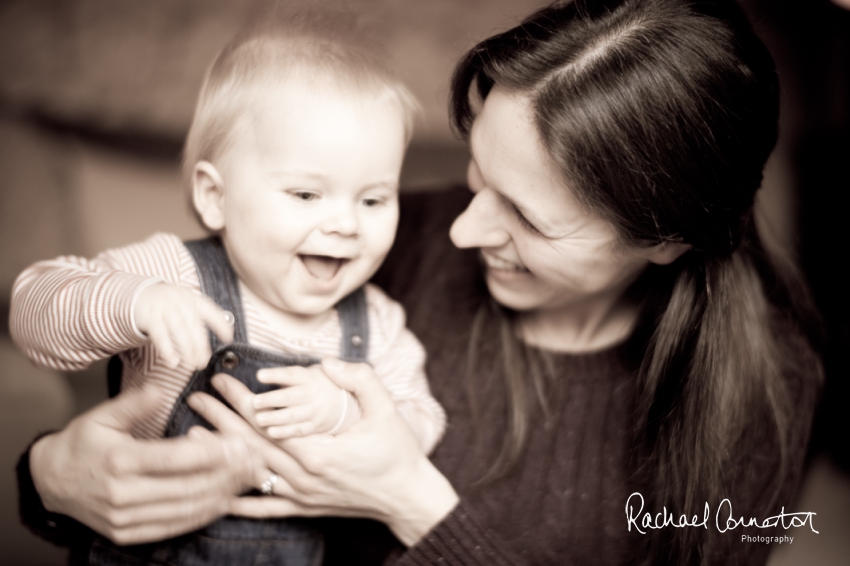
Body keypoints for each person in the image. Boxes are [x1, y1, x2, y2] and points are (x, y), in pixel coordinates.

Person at [16, 0, 822, 565]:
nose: (462, 231)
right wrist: (53, 476)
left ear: (665, 243)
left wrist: (410, 499)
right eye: (475, 178)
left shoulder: (762, 398)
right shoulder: (363, 236)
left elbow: (408, 419)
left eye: (528, 219)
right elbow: (82, 335)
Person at [10, 9, 445, 566]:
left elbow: (422, 423)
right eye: (307, 195)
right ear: (216, 197)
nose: (346, 223)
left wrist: (345, 412)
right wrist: (133, 303)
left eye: (373, 199)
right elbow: (33, 304)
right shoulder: (174, 274)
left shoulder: (378, 322)